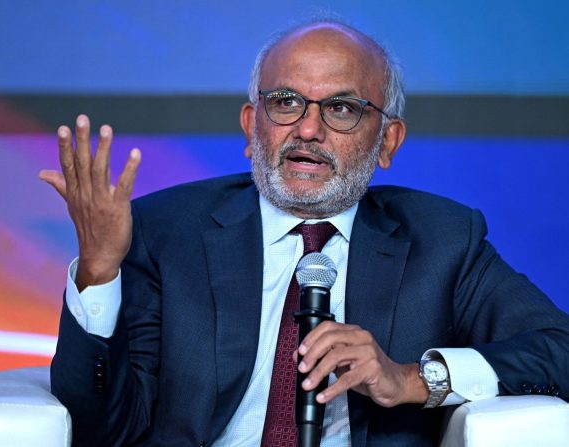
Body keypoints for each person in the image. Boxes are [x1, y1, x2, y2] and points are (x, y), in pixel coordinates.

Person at [40, 19, 569, 447]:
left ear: (388, 142)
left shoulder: (443, 240)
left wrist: (411, 379)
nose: (308, 129)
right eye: (286, 102)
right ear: (251, 125)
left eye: (341, 109)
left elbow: (559, 350)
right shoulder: (165, 231)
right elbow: (106, 427)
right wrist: (99, 271)